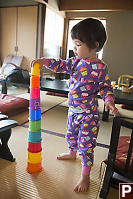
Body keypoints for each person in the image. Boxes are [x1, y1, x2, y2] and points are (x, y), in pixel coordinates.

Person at [31, 18, 118, 192]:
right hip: (72, 111)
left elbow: (106, 87)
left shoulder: (101, 67)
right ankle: (72, 153)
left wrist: (109, 101)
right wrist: (44, 61)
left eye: (78, 45)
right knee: (71, 136)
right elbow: (60, 64)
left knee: (86, 145)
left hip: (89, 114)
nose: (74, 49)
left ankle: (85, 175)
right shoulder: (75, 62)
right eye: (74, 44)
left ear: (94, 45)